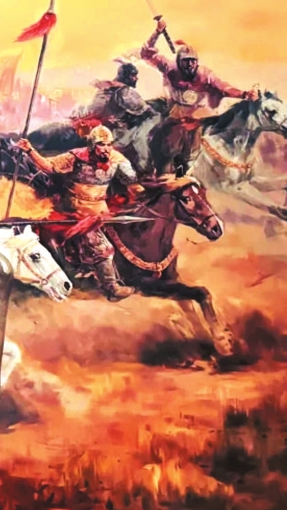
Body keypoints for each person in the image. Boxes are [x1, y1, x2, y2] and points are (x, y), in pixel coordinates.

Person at [16, 125, 142, 300]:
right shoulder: (76, 157)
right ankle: (112, 289)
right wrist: (30, 150)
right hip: (74, 212)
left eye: (108, 144)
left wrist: (143, 192)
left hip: (100, 212)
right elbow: (49, 166)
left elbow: (133, 183)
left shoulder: (117, 159)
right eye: (101, 144)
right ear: (92, 145)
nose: (106, 149)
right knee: (101, 246)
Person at [141, 19, 258, 172]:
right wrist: (157, 32)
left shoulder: (205, 74)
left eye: (193, 61)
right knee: (160, 134)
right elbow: (146, 53)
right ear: (179, 61)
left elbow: (224, 87)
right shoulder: (170, 68)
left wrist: (243, 94)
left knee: (198, 136)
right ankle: (155, 162)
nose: (190, 65)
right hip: (175, 109)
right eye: (186, 61)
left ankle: (191, 163)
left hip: (198, 111)